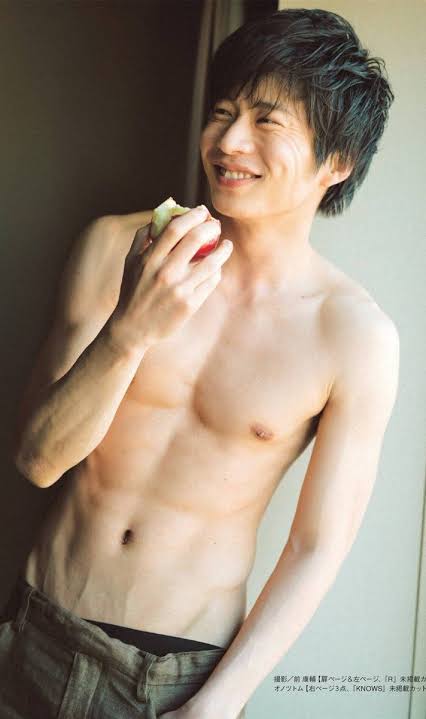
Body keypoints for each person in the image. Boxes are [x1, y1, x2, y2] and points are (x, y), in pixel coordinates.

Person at [1, 8, 399, 719]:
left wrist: (219, 702)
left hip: (173, 678)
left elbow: (316, 547)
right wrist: (129, 330)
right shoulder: (115, 246)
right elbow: (37, 460)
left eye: (267, 121)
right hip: (36, 629)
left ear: (336, 162)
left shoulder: (354, 336)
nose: (228, 141)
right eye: (222, 112)